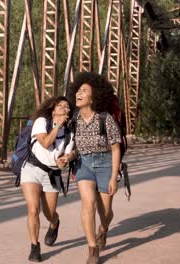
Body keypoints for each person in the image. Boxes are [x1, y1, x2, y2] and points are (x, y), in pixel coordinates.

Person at [66, 72, 122, 264]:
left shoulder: (105, 119)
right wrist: (68, 156)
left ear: (94, 96)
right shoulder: (74, 120)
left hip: (106, 162)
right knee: (88, 203)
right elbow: (74, 147)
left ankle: (103, 229)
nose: (79, 94)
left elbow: (116, 149)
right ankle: (92, 248)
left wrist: (114, 177)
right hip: (84, 164)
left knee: (105, 212)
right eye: (78, 90)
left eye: (84, 91)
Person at [20, 96, 77, 262]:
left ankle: (54, 223)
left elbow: (66, 156)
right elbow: (45, 142)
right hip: (32, 168)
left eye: (67, 107)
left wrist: (65, 160)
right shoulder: (41, 122)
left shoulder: (69, 132)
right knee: (33, 209)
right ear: (53, 109)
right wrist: (57, 125)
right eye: (61, 106)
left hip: (52, 174)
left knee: (49, 212)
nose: (65, 108)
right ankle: (34, 247)